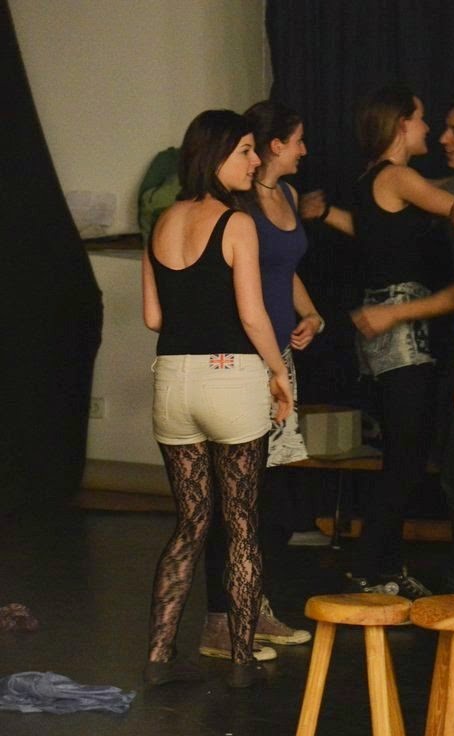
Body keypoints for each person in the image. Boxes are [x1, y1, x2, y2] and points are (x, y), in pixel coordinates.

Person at [141, 109, 293, 689]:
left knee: (190, 524)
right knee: (241, 525)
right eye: (245, 151)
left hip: (171, 380)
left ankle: (158, 654)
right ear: (216, 155)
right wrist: (278, 372)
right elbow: (252, 315)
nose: (255, 161)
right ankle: (241, 659)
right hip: (230, 378)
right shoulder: (236, 223)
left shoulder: (161, 222)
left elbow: (154, 317)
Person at [342, 82, 454, 598]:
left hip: (393, 329)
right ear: (402, 124)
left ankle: (385, 566)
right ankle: (368, 570)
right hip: (400, 333)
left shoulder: (372, 179)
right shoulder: (398, 176)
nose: (428, 128)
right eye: (422, 119)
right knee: (405, 459)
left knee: (403, 456)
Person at [199, 101, 326, 663]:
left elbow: (284, 269)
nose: (304, 150)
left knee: (266, 492)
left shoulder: (288, 196)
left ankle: (254, 607)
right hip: (244, 359)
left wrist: (311, 312)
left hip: (278, 356)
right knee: (235, 496)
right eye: (297, 140)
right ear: (277, 145)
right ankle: (222, 618)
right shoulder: (237, 202)